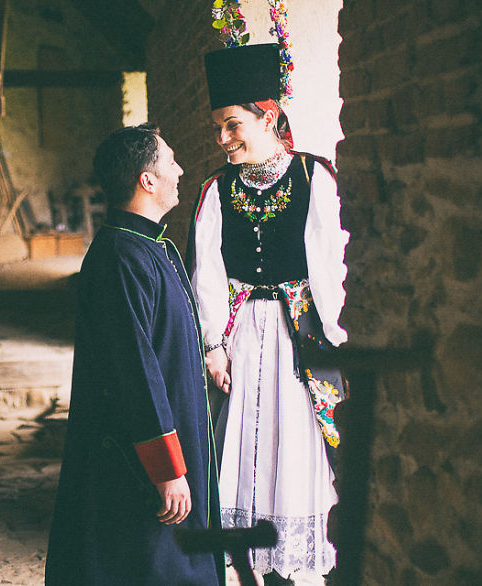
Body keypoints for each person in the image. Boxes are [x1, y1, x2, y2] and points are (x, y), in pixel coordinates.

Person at [186, 43, 349, 585]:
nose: (222, 139)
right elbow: (205, 276)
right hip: (242, 340)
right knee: (241, 444)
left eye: (232, 125)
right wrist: (213, 346)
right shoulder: (216, 191)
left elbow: (330, 269)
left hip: (299, 336)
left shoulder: (312, 177)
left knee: (296, 444)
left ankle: (291, 567)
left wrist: (336, 341)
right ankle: (247, 566)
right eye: (218, 128)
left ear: (269, 116)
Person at [45, 124, 223, 586]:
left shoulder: (151, 245)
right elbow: (134, 370)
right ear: (147, 180)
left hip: (175, 437)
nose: (180, 170)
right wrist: (167, 469)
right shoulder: (121, 256)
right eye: (170, 162)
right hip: (141, 457)